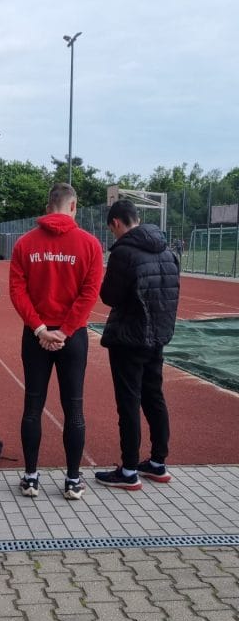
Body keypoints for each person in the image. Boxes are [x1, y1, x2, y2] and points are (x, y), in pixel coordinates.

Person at [9, 183, 103, 501]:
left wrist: (39, 329)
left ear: (48, 206)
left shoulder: (25, 244)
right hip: (72, 339)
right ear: (73, 206)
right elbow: (90, 293)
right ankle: (73, 481)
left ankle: (31, 477)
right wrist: (66, 330)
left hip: (36, 337)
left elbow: (17, 292)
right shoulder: (90, 245)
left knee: (33, 407)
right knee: (73, 408)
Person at [95, 198, 180, 490]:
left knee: (129, 403)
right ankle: (158, 462)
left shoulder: (124, 253)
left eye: (112, 229)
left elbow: (110, 296)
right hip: (156, 336)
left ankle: (129, 469)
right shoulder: (168, 251)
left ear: (116, 223)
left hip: (129, 338)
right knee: (154, 397)